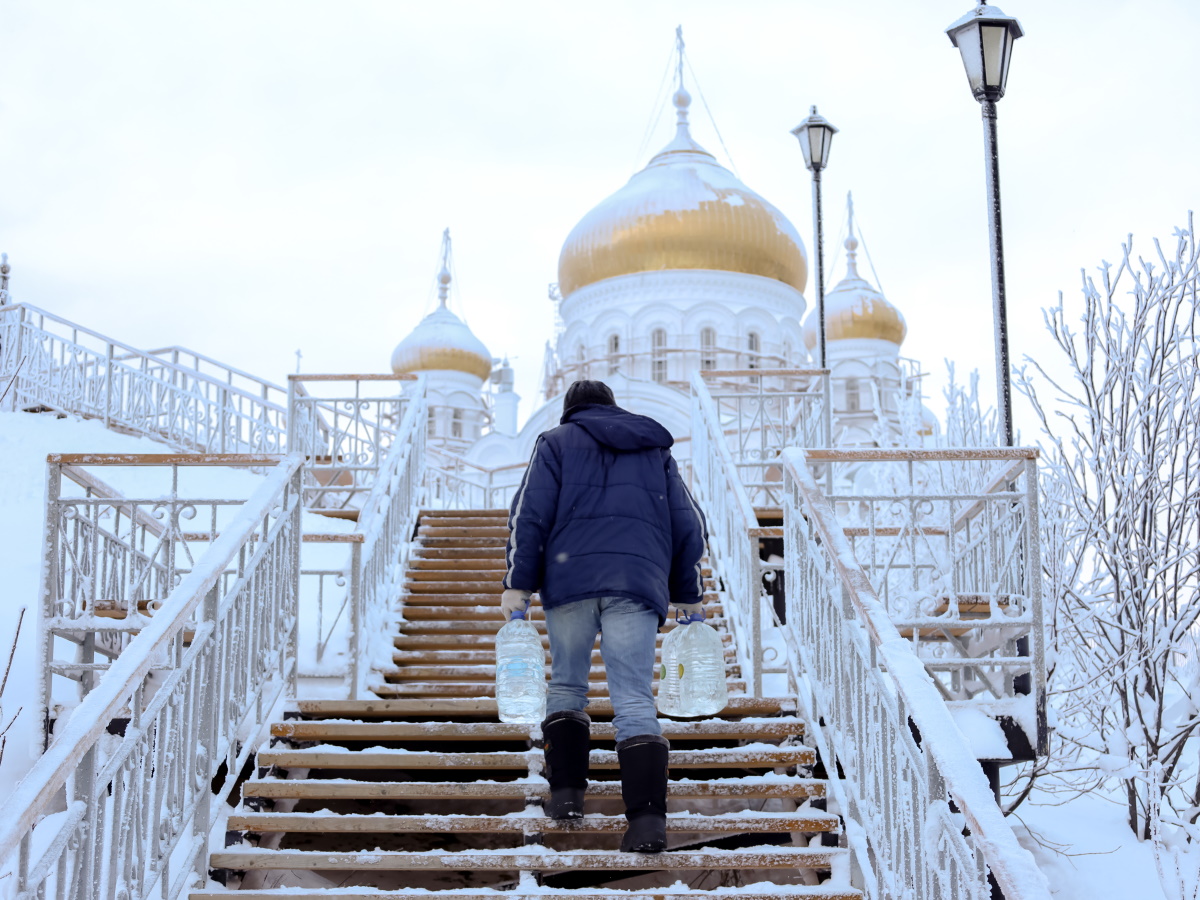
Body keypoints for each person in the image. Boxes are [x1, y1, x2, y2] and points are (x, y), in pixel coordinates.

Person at [500, 380, 708, 854]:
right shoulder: (654, 447)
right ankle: (648, 821)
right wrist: (688, 593)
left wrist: (518, 582)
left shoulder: (555, 442)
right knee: (634, 698)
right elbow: (687, 522)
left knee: (568, 685)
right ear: (613, 407)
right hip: (637, 582)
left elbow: (529, 514)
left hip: (569, 578)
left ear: (571, 411)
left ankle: (567, 795)